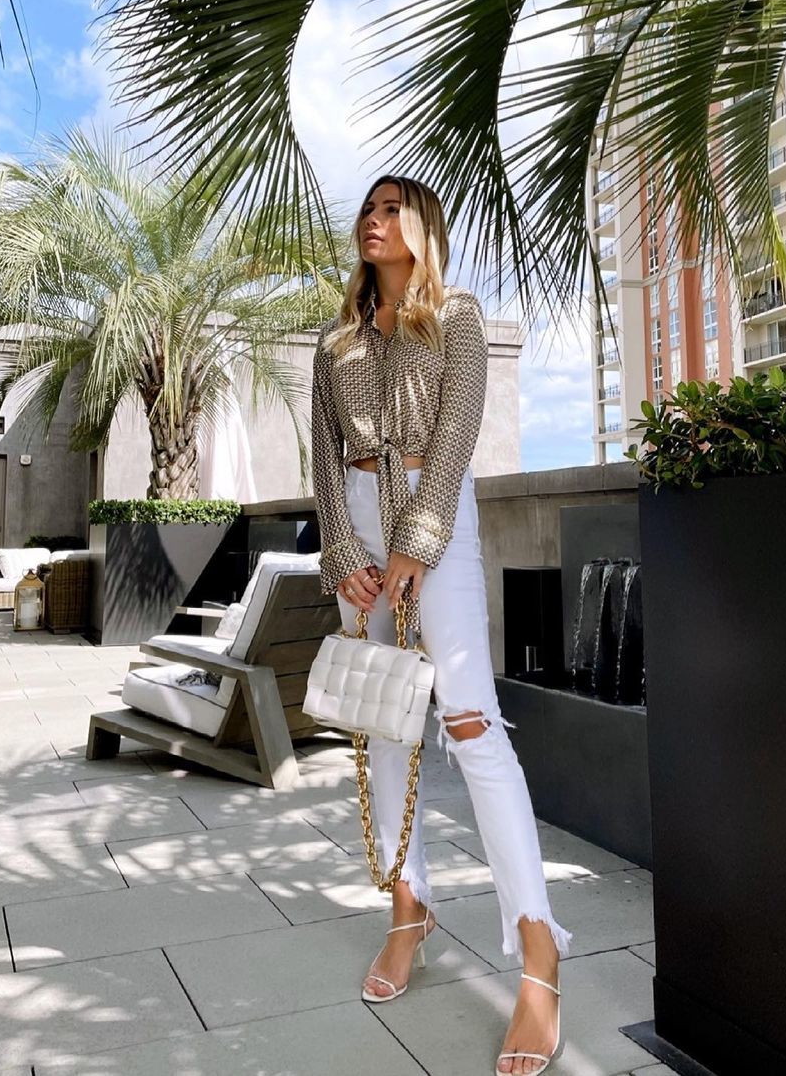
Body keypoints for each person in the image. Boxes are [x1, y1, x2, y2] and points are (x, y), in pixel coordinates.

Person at [311, 175, 570, 1076]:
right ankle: (407, 907)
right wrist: (344, 550)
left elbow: (457, 434)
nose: (374, 221)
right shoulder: (335, 342)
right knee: (387, 721)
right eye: (368, 209)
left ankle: (537, 947)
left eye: (393, 209)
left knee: (469, 723)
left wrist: (416, 541)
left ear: (425, 227)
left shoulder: (456, 317)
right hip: (358, 526)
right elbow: (323, 459)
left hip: (437, 518)